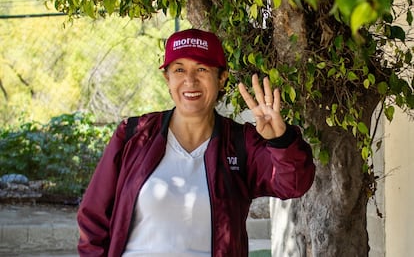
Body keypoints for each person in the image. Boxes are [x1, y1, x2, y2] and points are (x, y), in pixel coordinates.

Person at [77, 28, 315, 257]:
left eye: (201, 69)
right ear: (167, 78)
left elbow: (293, 184)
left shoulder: (241, 143)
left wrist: (280, 140)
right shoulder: (133, 135)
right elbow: (93, 217)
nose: (189, 80)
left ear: (221, 78)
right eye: (179, 70)